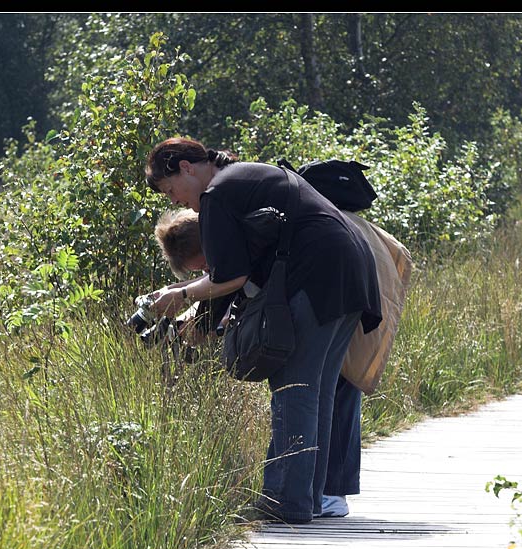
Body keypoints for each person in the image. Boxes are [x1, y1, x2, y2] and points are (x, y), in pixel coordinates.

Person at [143, 137, 381, 524]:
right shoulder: (243, 176)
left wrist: (182, 294)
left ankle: (285, 502)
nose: (175, 201)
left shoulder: (217, 194)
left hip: (318, 279)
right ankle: (308, 499)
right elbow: (237, 272)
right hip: (352, 274)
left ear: (187, 167)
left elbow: (230, 276)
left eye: (171, 190)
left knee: (294, 388)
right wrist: (193, 306)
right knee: (315, 391)